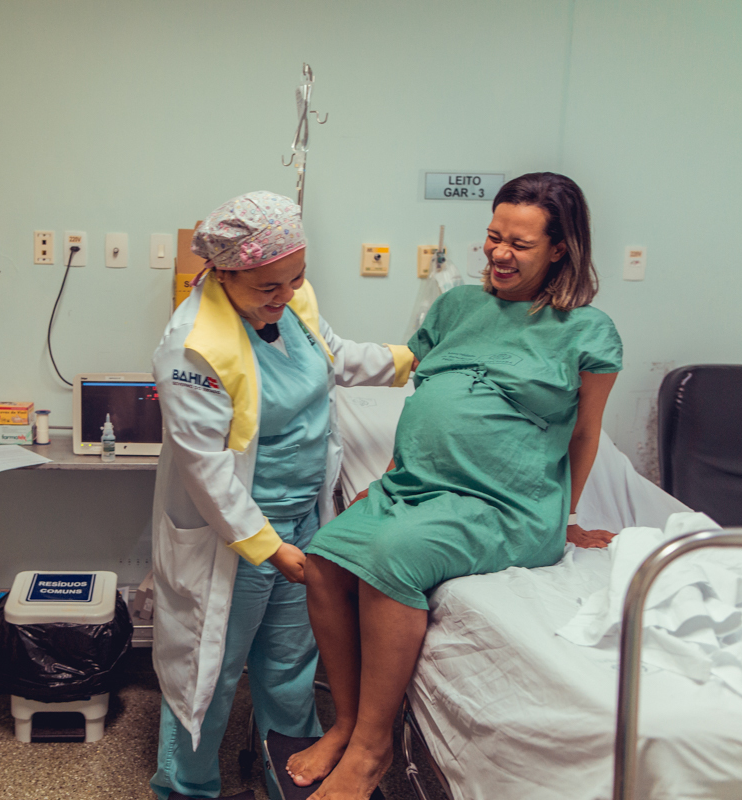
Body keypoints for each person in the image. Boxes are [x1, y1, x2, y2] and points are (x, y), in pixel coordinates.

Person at [288, 172, 622, 800]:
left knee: (390, 560)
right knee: (325, 558)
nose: (499, 254)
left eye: (519, 245)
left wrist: (563, 517)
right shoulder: (454, 307)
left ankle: (371, 747)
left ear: (560, 248)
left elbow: (584, 435)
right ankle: (347, 721)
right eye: (494, 237)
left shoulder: (588, 331)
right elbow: (430, 399)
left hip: (504, 504)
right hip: (414, 485)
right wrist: (388, 481)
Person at [149, 191, 415, 800]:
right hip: (235, 539)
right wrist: (270, 550)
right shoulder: (194, 346)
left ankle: (285, 777)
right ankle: (186, 789)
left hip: (304, 522)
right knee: (208, 677)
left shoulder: (291, 302)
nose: (286, 294)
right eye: (269, 286)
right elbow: (207, 471)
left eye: (296, 277)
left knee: (292, 670)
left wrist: (409, 358)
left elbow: (334, 356)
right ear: (224, 273)